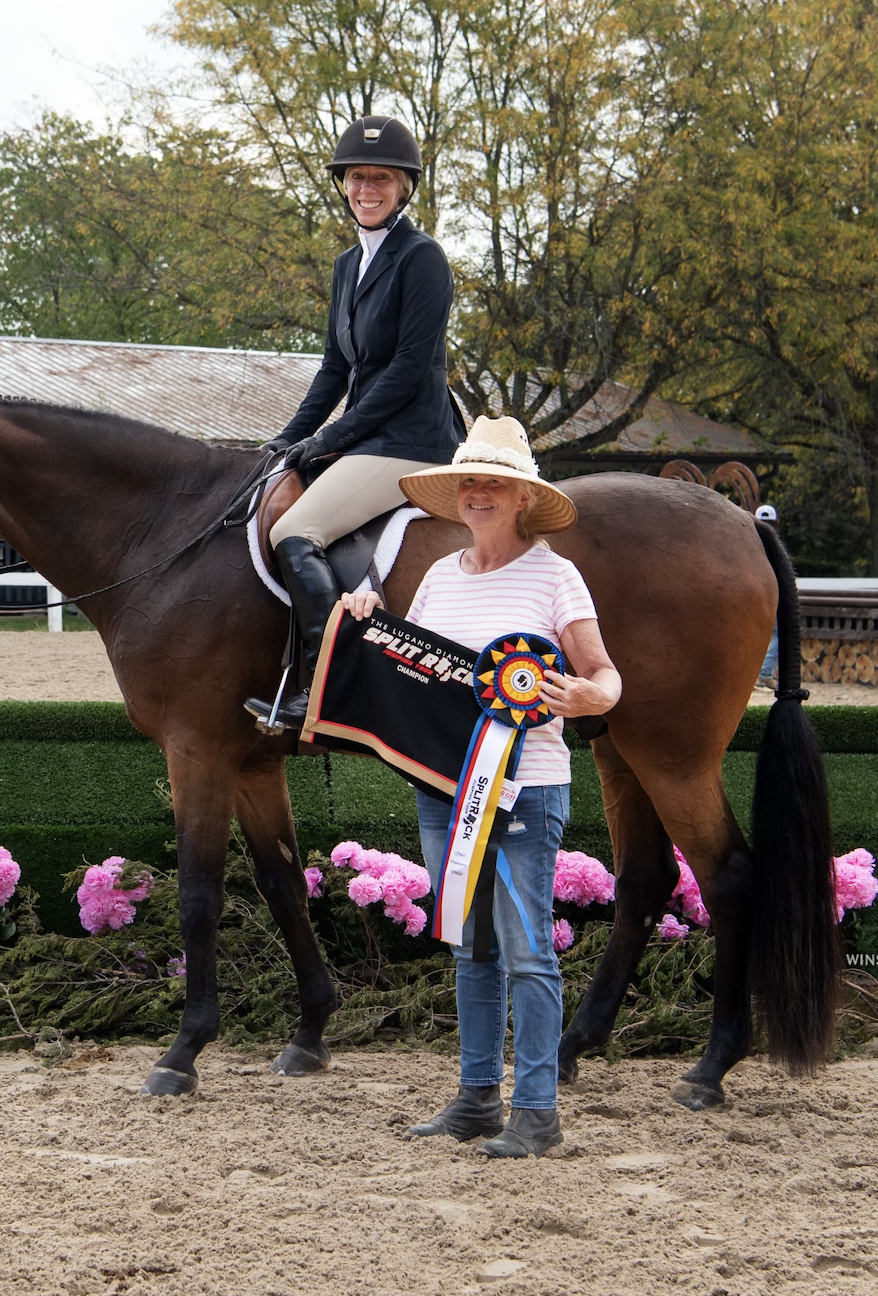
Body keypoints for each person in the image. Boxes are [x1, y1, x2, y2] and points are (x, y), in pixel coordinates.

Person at [341, 415, 622, 1158]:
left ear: (522, 497)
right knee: (471, 947)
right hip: (444, 786)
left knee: (528, 952)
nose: (478, 492)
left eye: (493, 481)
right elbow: (418, 673)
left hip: (526, 788)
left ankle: (537, 1110)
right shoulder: (437, 578)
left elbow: (603, 673)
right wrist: (371, 621)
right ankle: (475, 1099)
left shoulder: (555, 574)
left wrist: (596, 697)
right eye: (469, 480)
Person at [245, 115, 466, 732]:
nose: (368, 188)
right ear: (344, 184)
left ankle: (317, 691)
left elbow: (405, 370)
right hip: (367, 437)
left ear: (404, 188)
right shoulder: (349, 265)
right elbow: (334, 368)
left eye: (383, 179)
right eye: (358, 177)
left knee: (296, 532)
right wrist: (288, 439)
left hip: (412, 442)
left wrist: (329, 440)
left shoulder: (423, 259)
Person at [754, 503, 779, 688]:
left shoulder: (748, 545)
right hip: (770, 594)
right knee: (776, 634)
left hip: (751, 595)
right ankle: (764, 674)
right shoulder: (776, 547)